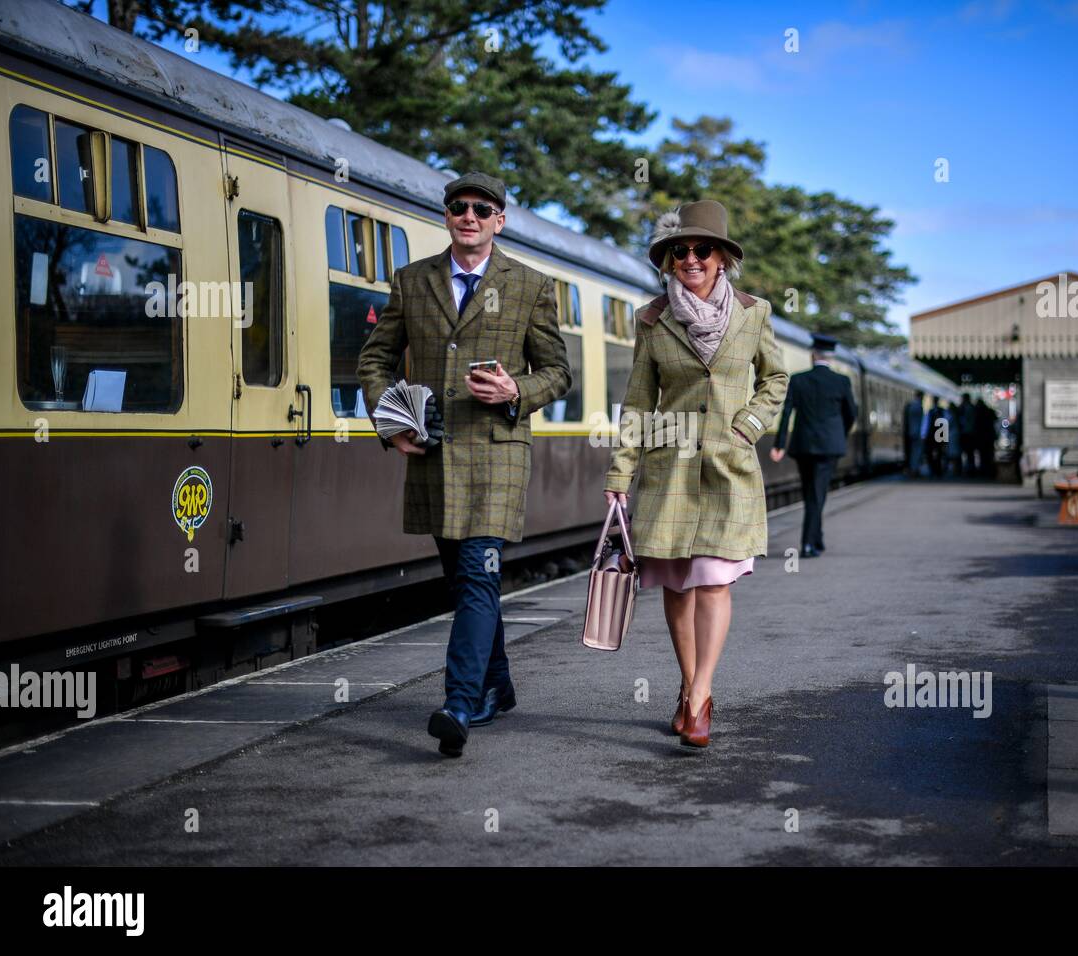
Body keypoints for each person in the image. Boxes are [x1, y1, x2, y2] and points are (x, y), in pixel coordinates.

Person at [357, 171, 571, 758]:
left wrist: (514, 392)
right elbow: (374, 360)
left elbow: (558, 372)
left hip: (497, 455)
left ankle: (459, 702)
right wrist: (392, 422)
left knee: (479, 575)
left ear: (499, 220)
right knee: (466, 580)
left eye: (482, 208)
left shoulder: (529, 285)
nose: (469, 216)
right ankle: (496, 686)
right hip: (433, 453)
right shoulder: (410, 280)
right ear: (448, 216)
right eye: (458, 207)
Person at [603, 200, 787, 749]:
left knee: (713, 581)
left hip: (729, 469)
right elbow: (638, 402)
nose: (691, 258)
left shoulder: (755, 313)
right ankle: (688, 687)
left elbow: (775, 380)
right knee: (678, 589)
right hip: (670, 470)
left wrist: (746, 427)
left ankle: (701, 696)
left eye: (702, 249)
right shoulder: (653, 319)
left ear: (723, 258)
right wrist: (620, 470)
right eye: (679, 251)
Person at [770, 333, 857, 557]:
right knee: (817, 495)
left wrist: (779, 444)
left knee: (812, 492)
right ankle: (809, 543)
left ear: (813, 355)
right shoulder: (841, 381)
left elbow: (787, 412)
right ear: (832, 358)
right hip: (830, 447)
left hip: (803, 446)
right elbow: (851, 414)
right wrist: (840, 434)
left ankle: (816, 540)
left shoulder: (798, 380)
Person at [974, 397, 998, 479]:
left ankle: (984, 470)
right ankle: (990, 470)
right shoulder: (989, 410)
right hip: (989, 436)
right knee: (989, 454)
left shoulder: (978, 412)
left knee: (983, 455)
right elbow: (995, 418)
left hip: (982, 437)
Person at [903, 391, 925, 477]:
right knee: (917, 452)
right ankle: (915, 470)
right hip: (918, 432)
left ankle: (913, 469)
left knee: (912, 452)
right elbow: (922, 422)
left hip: (911, 432)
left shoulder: (910, 405)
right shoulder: (919, 406)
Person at [925, 398, 947, 477]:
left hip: (939, 435)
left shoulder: (934, 411)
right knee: (932, 453)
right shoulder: (933, 411)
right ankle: (934, 469)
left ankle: (938, 469)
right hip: (933, 435)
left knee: (939, 453)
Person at [957, 392, 977, 476]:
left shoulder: (966, 408)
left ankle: (967, 469)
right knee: (969, 452)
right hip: (969, 432)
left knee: (967, 452)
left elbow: (963, 420)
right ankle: (969, 468)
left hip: (966, 433)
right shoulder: (971, 407)